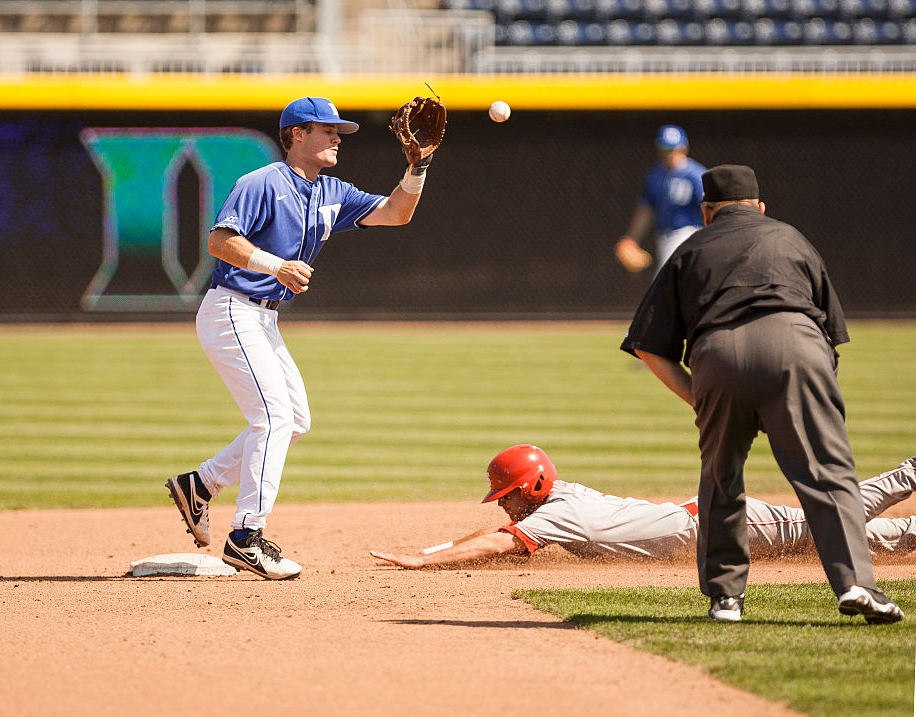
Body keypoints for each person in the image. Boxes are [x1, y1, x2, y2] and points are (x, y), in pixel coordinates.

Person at [619, 164, 903, 624]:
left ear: (706, 212)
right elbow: (831, 334)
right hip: (796, 348)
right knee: (829, 473)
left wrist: (700, 396)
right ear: (760, 207)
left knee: (721, 479)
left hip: (718, 355)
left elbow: (649, 346)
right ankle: (855, 584)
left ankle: (725, 599)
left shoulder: (690, 248)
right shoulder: (791, 238)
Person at [165, 96, 435, 580]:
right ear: (295, 135)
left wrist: (419, 166)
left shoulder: (332, 190)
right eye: (326, 129)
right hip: (231, 309)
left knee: (295, 421)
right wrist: (276, 265)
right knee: (271, 418)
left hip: (263, 319)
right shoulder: (261, 182)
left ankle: (200, 485)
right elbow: (219, 241)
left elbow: (397, 213)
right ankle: (246, 536)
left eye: (339, 132)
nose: (336, 138)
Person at [370, 443, 916, 582]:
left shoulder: (558, 516)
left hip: (723, 524)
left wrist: (424, 563)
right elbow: (503, 532)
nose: (505, 504)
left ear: (531, 488)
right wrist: (435, 549)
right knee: (875, 540)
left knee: (839, 517)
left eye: (507, 495)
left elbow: (499, 543)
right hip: (715, 527)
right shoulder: (557, 499)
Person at [614, 125, 706, 276]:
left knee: (664, 281)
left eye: (672, 149)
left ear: (684, 148)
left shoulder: (695, 174)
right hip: (663, 237)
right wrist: (631, 238)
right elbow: (646, 209)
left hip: (686, 233)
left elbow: (708, 207)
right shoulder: (656, 173)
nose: (668, 154)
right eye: (664, 149)